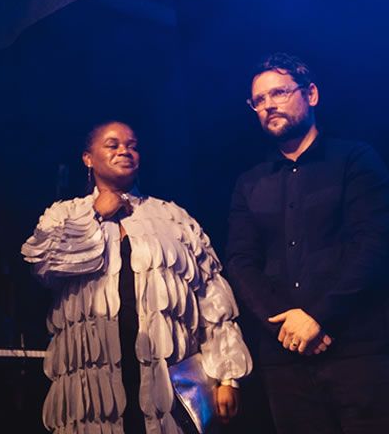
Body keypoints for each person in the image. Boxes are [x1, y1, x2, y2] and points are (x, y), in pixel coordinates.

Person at [22, 121, 250, 433]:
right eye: (113, 145)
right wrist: (95, 216)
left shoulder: (173, 218)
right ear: (88, 158)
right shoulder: (65, 215)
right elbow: (44, 267)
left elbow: (211, 295)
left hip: (169, 382)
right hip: (91, 386)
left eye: (132, 145)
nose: (124, 151)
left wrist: (228, 376)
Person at [225, 53, 389, 433]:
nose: (268, 106)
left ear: (311, 94)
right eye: (259, 101)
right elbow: (240, 262)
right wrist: (288, 323)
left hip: (357, 350)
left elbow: (374, 245)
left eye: (278, 93)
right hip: (284, 358)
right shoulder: (249, 182)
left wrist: (317, 316)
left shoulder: (355, 159)